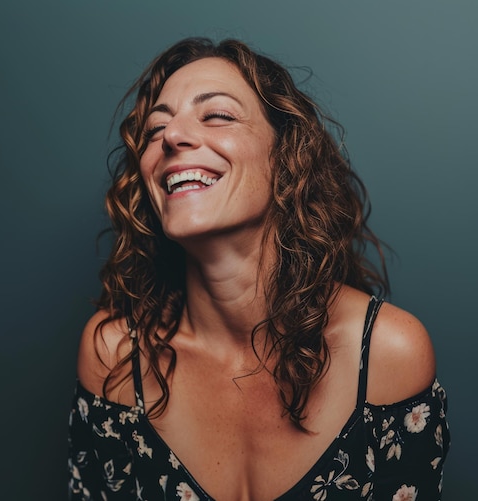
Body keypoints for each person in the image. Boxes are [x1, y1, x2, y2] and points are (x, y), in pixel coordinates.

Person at [67, 38, 450, 500]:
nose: (170, 137)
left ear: (286, 158)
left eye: (218, 115)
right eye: (155, 129)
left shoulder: (389, 353)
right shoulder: (113, 356)